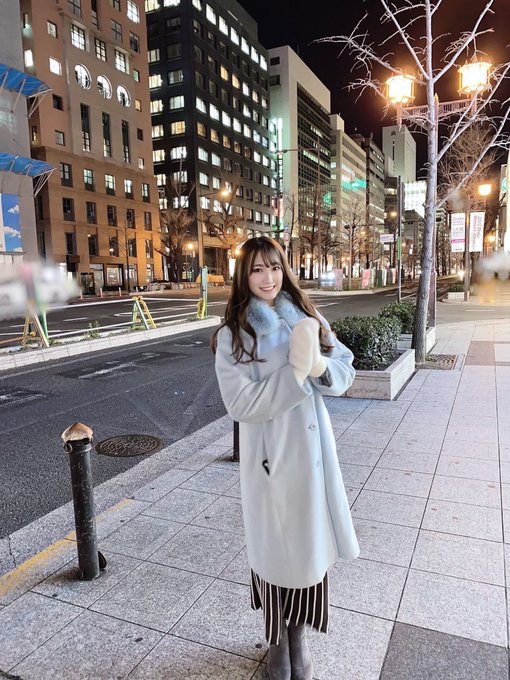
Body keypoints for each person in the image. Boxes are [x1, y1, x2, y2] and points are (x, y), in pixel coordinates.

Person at [211, 236, 359, 680]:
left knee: (309, 553)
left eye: (274, 267)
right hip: (270, 462)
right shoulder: (234, 335)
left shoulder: (307, 317)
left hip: (312, 457)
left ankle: (300, 638)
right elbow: (241, 404)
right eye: (257, 269)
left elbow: (344, 370)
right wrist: (296, 375)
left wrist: (319, 367)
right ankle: (277, 640)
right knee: (276, 555)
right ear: (244, 275)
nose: (268, 278)